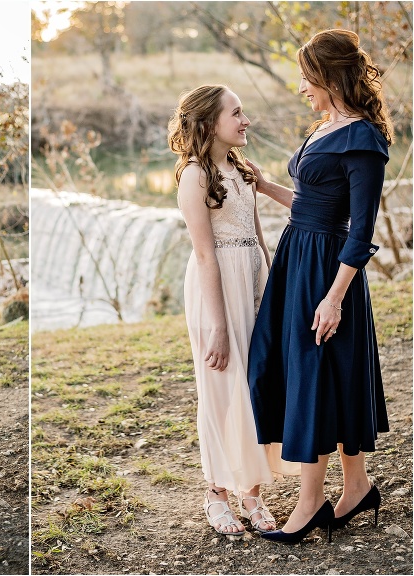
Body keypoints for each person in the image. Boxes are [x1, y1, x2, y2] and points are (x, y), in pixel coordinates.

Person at [247, 29, 392, 544]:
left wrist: (334, 297)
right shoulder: (324, 126)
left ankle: (310, 506)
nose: (301, 86)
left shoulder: (363, 139)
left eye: (308, 76)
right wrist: (263, 185)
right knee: (321, 374)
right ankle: (357, 488)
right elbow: (311, 204)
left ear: (330, 76)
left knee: (314, 376)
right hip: (298, 260)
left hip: (329, 273)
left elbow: (361, 229)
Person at [168, 85, 299, 536]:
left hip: (252, 282)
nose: (246, 121)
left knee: (254, 385)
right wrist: (218, 326)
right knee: (222, 388)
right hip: (215, 288)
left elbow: (258, 238)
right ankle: (216, 492)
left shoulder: (243, 169)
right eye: (237, 113)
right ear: (209, 123)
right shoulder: (193, 177)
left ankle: (252, 493)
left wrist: (270, 295)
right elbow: (205, 256)